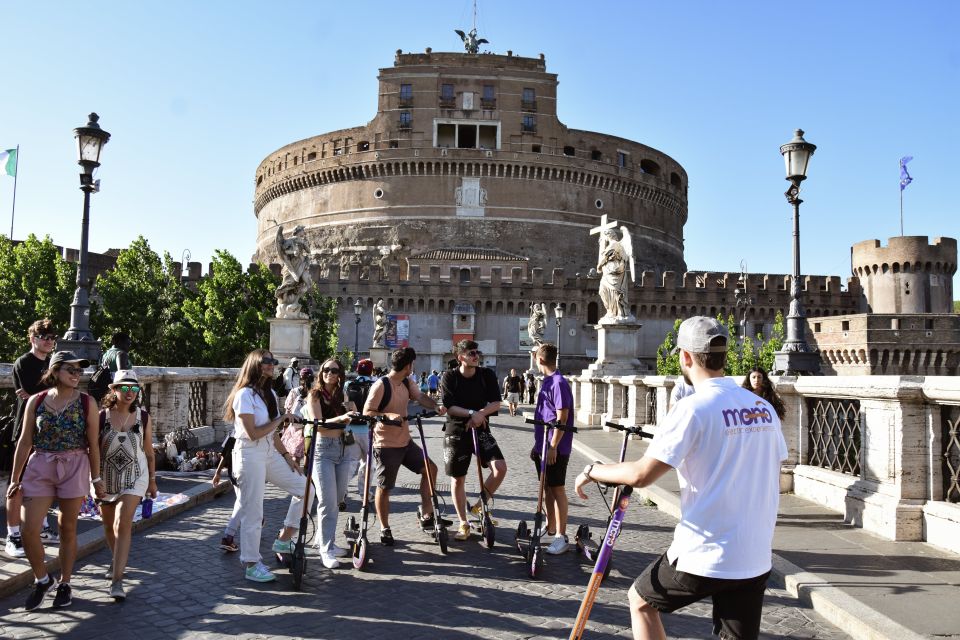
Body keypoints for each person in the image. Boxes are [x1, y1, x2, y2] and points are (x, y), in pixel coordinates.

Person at [573, 317, 787, 640]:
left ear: (685, 357)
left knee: (640, 601)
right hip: (754, 555)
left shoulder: (692, 409)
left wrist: (593, 470)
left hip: (705, 553)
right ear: (724, 356)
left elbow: (641, 474)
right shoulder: (763, 409)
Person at [7, 351, 102, 611]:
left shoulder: (86, 402)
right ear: (55, 371)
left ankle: (65, 583)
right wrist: (14, 480)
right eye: (70, 369)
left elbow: (93, 443)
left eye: (79, 370)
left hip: (74, 464)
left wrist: (97, 479)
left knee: (67, 528)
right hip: (40, 465)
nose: (76, 374)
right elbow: (25, 441)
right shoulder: (36, 401)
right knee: (28, 530)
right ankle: (42, 579)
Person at [223, 349, 305, 583]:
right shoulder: (244, 395)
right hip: (249, 453)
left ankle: (284, 538)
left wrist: (288, 457)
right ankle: (251, 563)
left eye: (273, 362)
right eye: (266, 362)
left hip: (269, 451)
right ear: (255, 365)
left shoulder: (269, 392)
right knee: (253, 510)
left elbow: (272, 434)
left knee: (306, 488)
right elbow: (252, 432)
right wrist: (281, 419)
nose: (271, 365)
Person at [363, 347, 446, 546]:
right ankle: (384, 527)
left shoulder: (407, 382)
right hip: (386, 445)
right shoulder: (381, 385)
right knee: (385, 487)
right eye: (413, 364)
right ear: (408, 365)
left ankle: (426, 513)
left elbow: (420, 397)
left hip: (405, 442)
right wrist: (387, 416)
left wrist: (435, 406)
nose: (413, 367)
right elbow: (367, 412)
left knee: (430, 469)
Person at [97, 370, 157, 601]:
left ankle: (117, 580)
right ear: (114, 390)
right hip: (106, 478)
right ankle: (116, 562)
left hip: (136, 476)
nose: (130, 392)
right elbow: (92, 449)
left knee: (123, 523)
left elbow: (149, 451)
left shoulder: (143, 417)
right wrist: (92, 479)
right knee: (109, 526)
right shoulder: (102, 416)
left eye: (134, 388)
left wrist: (152, 480)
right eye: (125, 388)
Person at [440, 339, 507, 542]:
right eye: (471, 353)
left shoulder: (486, 375)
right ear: (460, 357)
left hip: (480, 429)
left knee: (500, 468)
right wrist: (471, 413)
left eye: (477, 352)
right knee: (458, 478)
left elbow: (497, 402)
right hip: (456, 430)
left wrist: (479, 414)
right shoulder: (450, 377)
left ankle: (479, 506)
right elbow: (449, 406)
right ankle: (463, 522)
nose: (476, 356)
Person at [6, 319, 58, 559]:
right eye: (43, 336)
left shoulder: (52, 363)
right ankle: (13, 535)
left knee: (43, 483)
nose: (48, 341)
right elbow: (31, 398)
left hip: (48, 432)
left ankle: (42, 526)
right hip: (27, 431)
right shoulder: (23, 363)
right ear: (32, 338)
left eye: (51, 337)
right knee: (17, 484)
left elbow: (46, 395)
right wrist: (49, 396)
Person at [302, 358, 358, 568]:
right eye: (326, 370)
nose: (330, 373)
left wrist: (352, 413)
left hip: (342, 448)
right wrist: (341, 418)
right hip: (322, 450)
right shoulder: (315, 395)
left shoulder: (341, 394)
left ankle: (324, 541)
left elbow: (347, 418)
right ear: (321, 372)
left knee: (337, 498)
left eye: (334, 370)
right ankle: (327, 549)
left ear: (340, 374)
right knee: (326, 501)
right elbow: (318, 425)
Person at [531, 343, 575, 555]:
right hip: (544, 445)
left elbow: (562, 417)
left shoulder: (557, 383)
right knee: (547, 487)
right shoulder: (548, 381)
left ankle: (561, 536)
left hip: (555, 447)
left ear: (539, 360)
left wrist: (552, 446)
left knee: (557, 489)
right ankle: (550, 526)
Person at [344, 359, 376, 502]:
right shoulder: (376, 384)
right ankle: (364, 492)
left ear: (357, 370)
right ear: (371, 370)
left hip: (349, 428)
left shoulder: (348, 384)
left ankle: (342, 490)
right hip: (368, 430)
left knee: (349, 461)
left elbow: (344, 404)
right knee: (369, 462)